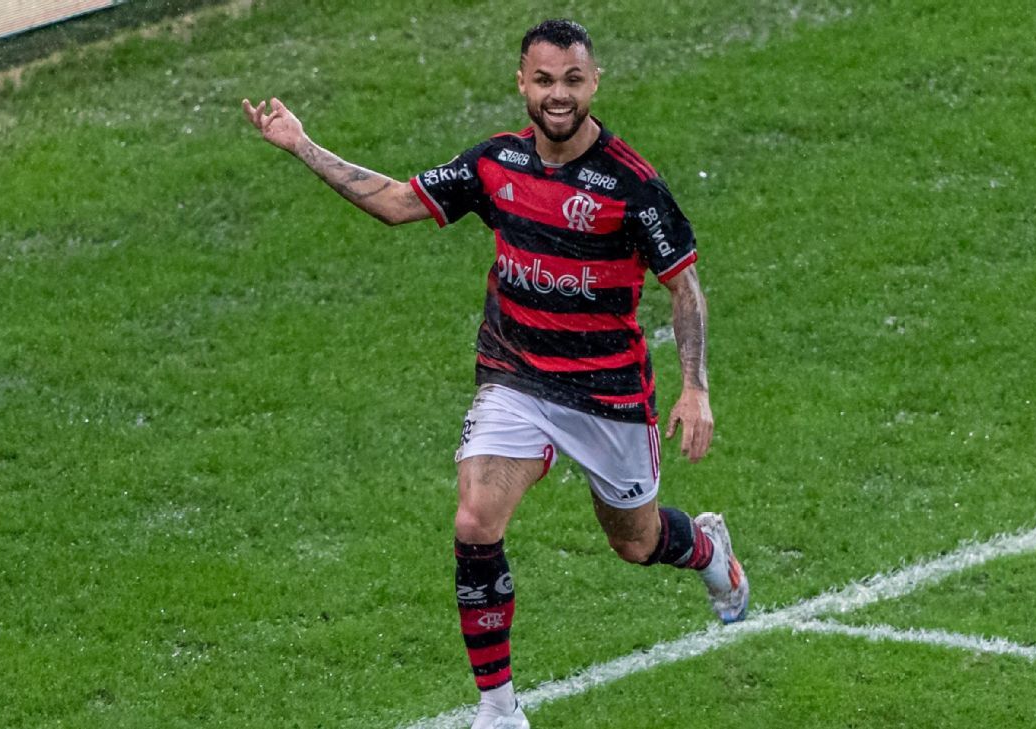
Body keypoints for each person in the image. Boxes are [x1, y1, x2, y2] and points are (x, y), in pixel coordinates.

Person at [243, 18, 747, 729]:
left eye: (572, 80)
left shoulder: (631, 186)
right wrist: (301, 145)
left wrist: (694, 386)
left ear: (594, 82)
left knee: (634, 540)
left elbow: (684, 286)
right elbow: (395, 203)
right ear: (522, 83)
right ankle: (500, 711)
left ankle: (705, 548)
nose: (558, 95)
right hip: (515, 378)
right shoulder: (495, 164)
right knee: (475, 519)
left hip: (606, 394)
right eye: (544, 80)